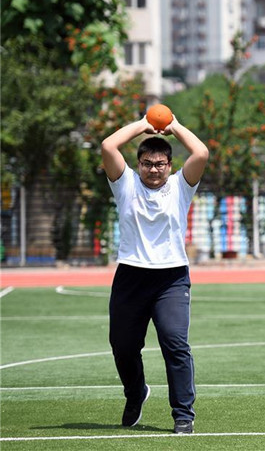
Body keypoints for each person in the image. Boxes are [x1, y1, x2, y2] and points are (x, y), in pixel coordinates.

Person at [101, 112, 209, 434]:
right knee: (123, 346)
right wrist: (142, 125)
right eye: (147, 163)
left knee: (175, 343)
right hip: (131, 276)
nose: (153, 169)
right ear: (138, 165)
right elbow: (108, 146)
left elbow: (201, 153)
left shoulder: (180, 186)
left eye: (160, 164)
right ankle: (136, 393)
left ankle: (183, 414)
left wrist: (174, 125)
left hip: (171, 279)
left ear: (170, 165)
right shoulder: (125, 184)